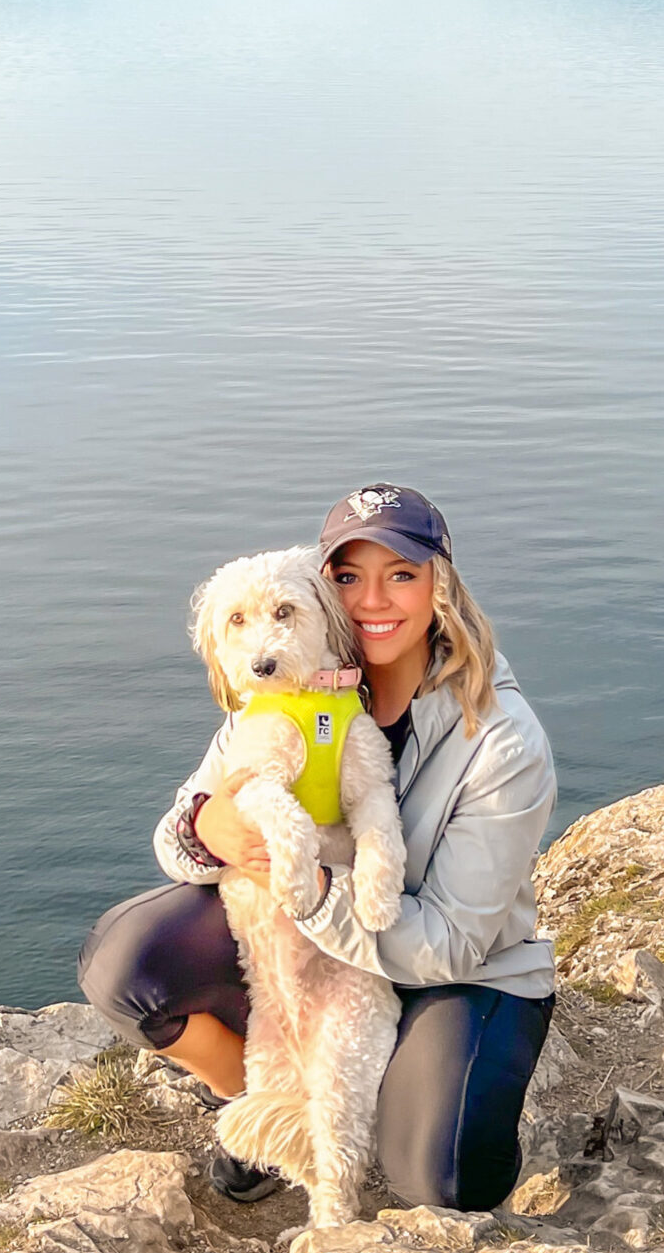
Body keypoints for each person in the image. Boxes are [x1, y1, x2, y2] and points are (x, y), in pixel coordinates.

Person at [78, 484, 557, 1212]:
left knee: (444, 1175)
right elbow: (179, 830)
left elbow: (453, 942)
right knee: (127, 964)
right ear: (320, 589)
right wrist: (211, 829)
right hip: (316, 947)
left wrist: (318, 888)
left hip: (454, 969)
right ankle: (277, 1115)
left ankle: (389, 1096)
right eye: (347, 576)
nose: (372, 600)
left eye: (400, 574)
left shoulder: (501, 738)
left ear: (441, 586)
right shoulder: (291, 691)